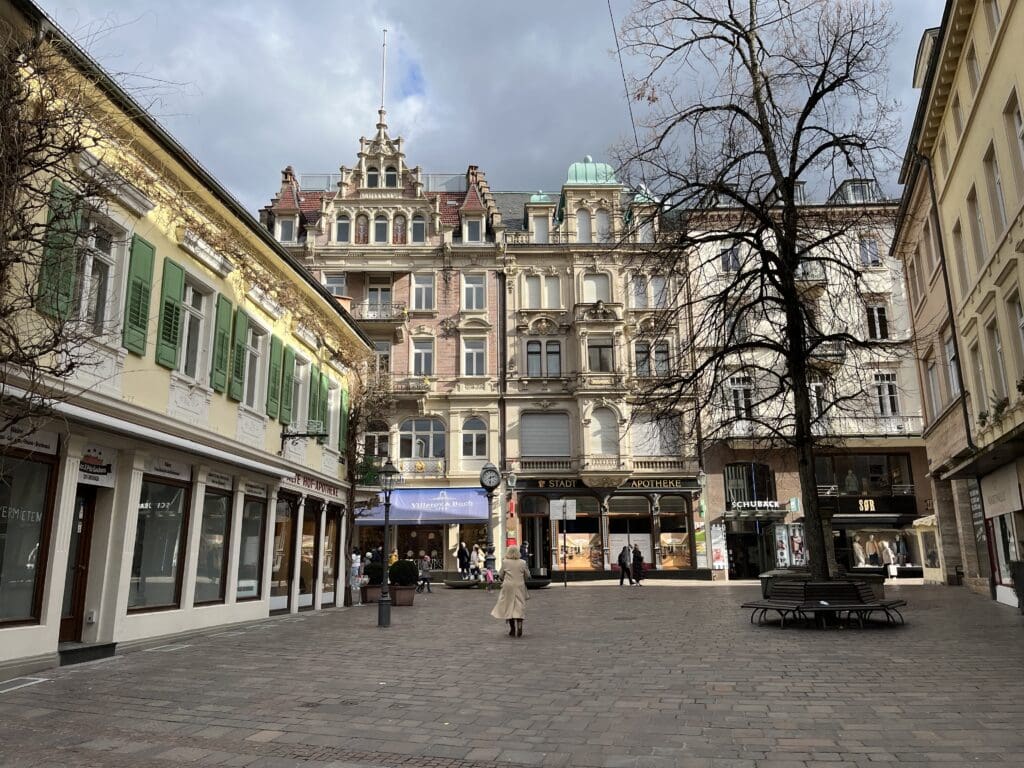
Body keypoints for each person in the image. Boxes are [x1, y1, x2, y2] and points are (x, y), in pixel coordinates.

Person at [491, 545, 529, 637]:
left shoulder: (505, 562)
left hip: (508, 586)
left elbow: (501, 575)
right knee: (519, 605)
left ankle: (512, 629)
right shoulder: (523, 562)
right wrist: (523, 579)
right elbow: (527, 575)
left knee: (509, 606)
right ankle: (519, 624)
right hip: (519, 585)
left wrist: (504, 579)